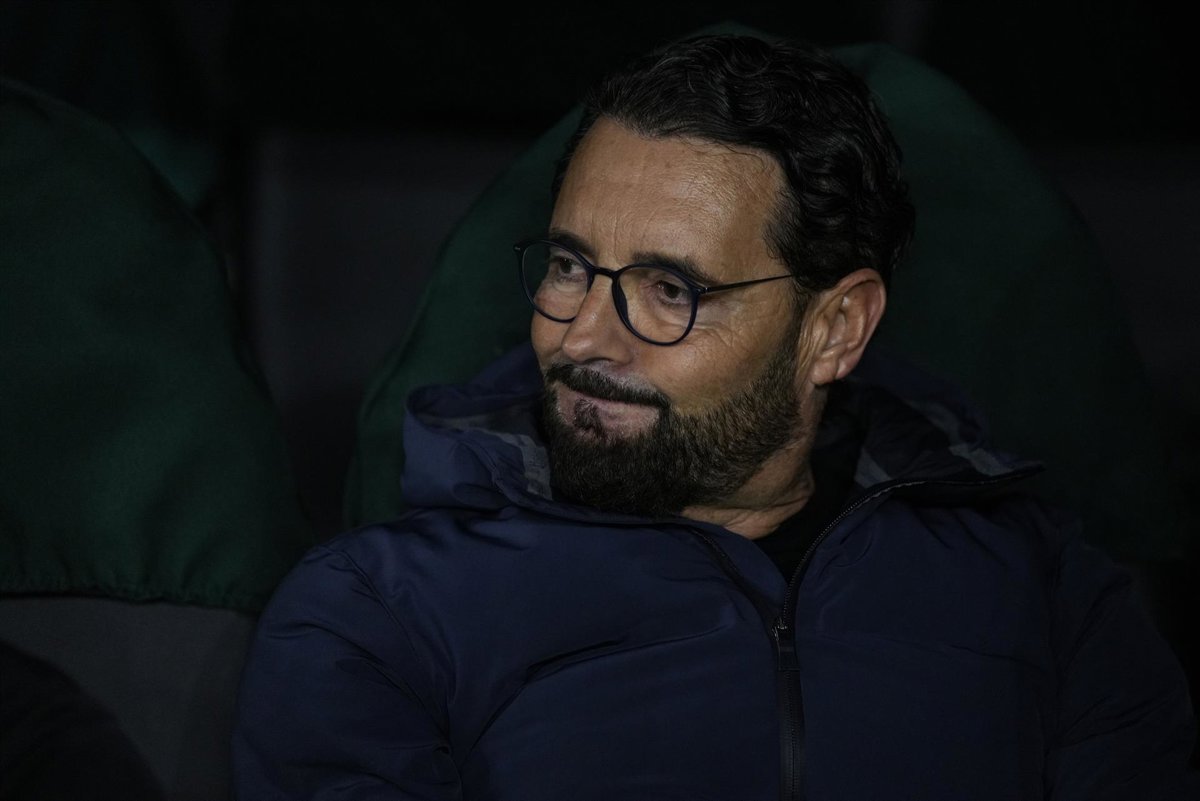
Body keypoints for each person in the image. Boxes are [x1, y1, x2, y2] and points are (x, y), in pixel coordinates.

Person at [232, 35, 1198, 799]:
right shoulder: (377, 613)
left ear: (834, 329)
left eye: (671, 290)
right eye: (569, 267)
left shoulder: (1042, 593)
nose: (583, 339)